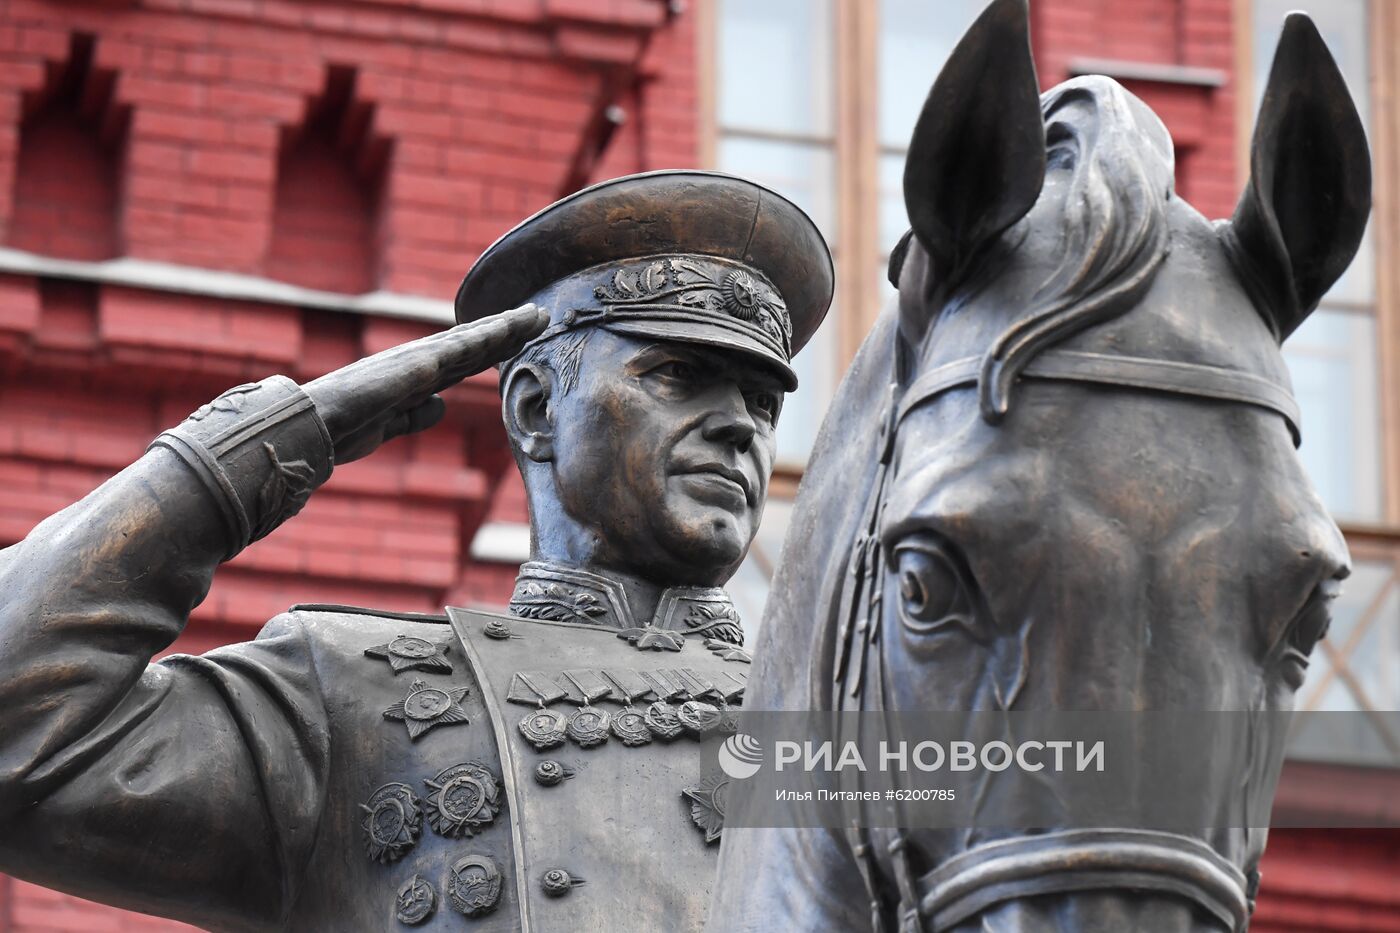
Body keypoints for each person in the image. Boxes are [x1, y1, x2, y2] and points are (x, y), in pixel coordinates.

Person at [0, 169, 833, 932]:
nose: (739, 428)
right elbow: (17, 732)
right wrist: (262, 445)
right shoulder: (355, 694)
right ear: (538, 408)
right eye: (678, 377)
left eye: (761, 404)